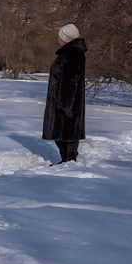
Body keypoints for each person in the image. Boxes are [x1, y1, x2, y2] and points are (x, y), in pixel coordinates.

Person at [43, 23, 87, 163]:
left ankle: (69, 160)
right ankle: (66, 160)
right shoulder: (68, 53)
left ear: (65, 38)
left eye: (60, 35)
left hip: (66, 102)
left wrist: (65, 104)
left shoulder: (72, 54)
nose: (58, 38)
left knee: (67, 133)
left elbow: (70, 81)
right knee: (63, 134)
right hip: (62, 101)